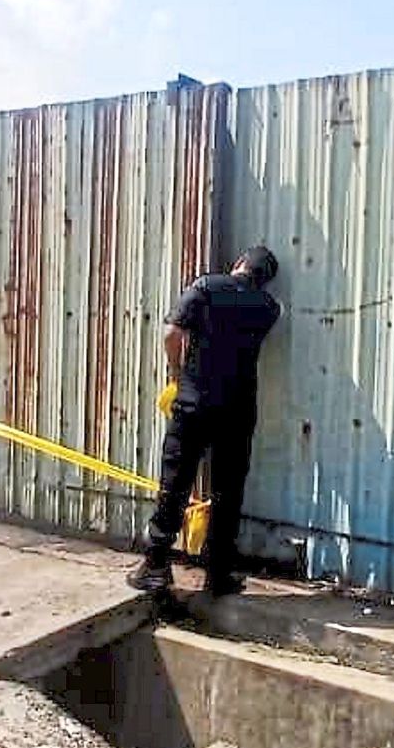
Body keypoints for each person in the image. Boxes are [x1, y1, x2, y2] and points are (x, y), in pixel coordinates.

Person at [128, 246, 281, 596]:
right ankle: (219, 574)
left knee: (175, 483)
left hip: (195, 402)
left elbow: (171, 334)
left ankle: (155, 565)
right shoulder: (269, 308)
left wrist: (177, 372)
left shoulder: (207, 287)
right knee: (229, 491)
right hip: (238, 410)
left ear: (239, 263)